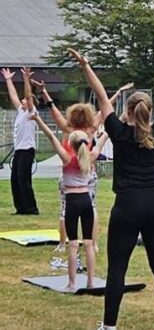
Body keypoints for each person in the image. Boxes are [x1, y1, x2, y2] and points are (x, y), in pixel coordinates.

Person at [68, 49, 154, 330]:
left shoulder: (119, 133)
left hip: (128, 206)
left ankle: (109, 326)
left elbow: (99, 92)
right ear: (150, 111)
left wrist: (85, 65)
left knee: (118, 268)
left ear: (128, 112)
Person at [40, 81, 133, 253]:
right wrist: (118, 93)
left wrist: (45, 92)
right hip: (88, 174)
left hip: (68, 175)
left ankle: (63, 243)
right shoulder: (92, 128)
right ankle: (94, 243)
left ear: (71, 116)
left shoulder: (67, 128)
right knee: (92, 207)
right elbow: (105, 107)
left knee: (64, 209)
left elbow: (53, 111)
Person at [31, 112, 107, 292]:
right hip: (87, 200)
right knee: (88, 243)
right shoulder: (91, 157)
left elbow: (50, 135)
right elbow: (104, 136)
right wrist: (113, 124)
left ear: (70, 145)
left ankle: (72, 283)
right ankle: (90, 282)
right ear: (87, 143)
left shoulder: (67, 158)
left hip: (72, 201)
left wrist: (37, 119)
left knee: (73, 244)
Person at [1, 67, 39, 215]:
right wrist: (8, 80)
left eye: (25, 100)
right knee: (15, 180)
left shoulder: (31, 112)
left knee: (24, 180)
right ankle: (20, 208)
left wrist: (26, 79)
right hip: (19, 150)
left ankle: (31, 208)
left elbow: (28, 96)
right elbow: (14, 96)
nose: (22, 101)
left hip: (27, 150)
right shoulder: (21, 112)